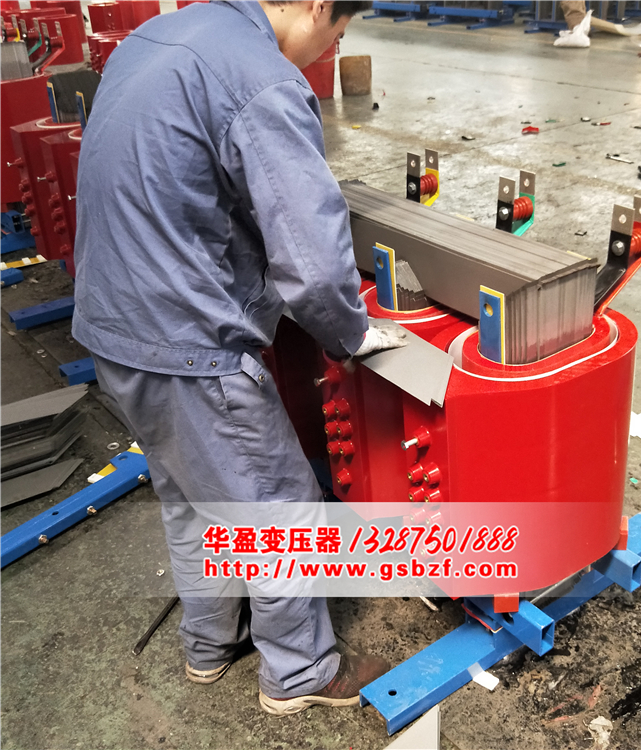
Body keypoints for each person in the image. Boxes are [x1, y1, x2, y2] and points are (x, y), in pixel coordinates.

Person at [72, 0, 406, 716]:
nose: (328, 48)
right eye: (338, 32)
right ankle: (300, 672)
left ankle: (210, 643)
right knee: (281, 509)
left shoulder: (162, 33)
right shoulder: (262, 79)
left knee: (194, 500)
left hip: (112, 326)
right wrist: (349, 335)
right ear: (319, 7)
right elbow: (314, 265)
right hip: (189, 342)